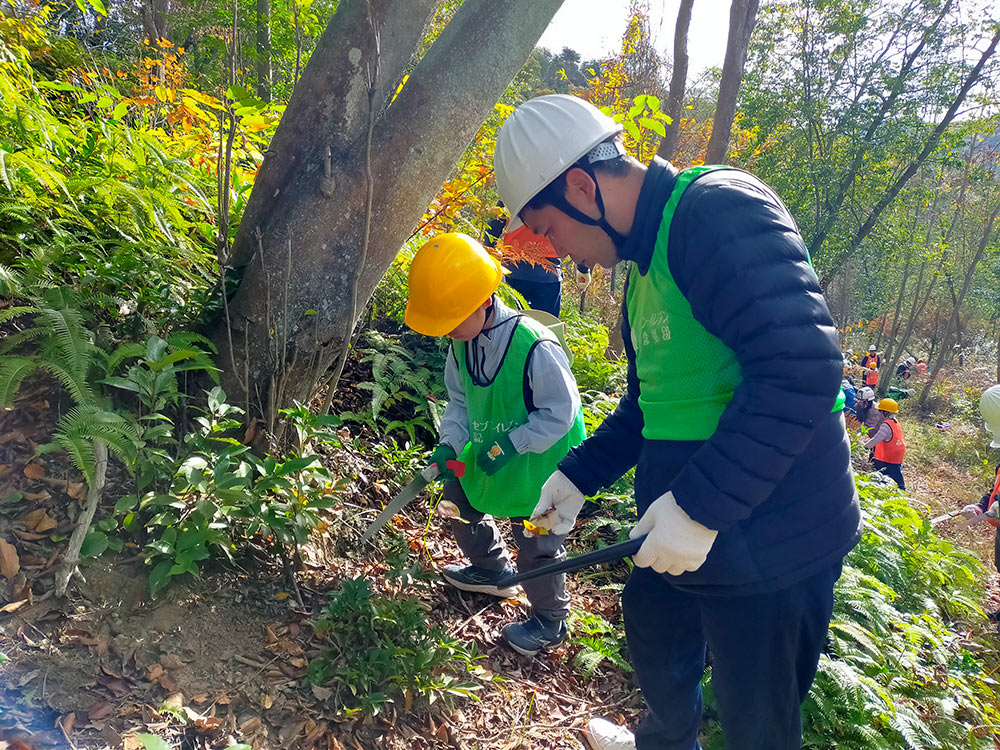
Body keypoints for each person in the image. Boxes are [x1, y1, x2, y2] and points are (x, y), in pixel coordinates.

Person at [493, 94, 860, 750]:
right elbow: (649, 404)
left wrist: (697, 507)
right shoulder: (640, 271)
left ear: (582, 185)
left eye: (549, 230)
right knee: (655, 626)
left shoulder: (715, 212)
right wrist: (578, 475)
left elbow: (801, 367)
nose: (562, 253)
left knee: (758, 714)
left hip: (776, 535)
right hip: (693, 527)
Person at [405, 232, 586, 656]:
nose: (448, 331)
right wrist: (451, 443)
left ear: (484, 302)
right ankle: (490, 570)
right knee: (456, 495)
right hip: (489, 448)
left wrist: (510, 444)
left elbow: (560, 413)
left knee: (537, 541)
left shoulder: (534, 344)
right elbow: (461, 400)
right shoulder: (462, 344)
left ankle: (550, 620)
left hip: (543, 460)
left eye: (453, 320)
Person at [485, 214, 591, 317]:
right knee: (547, 326)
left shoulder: (512, 196)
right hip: (547, 276)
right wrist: (583, 269)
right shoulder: (562, 197)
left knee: (510, 325)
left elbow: (492, 227)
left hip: (513, 271)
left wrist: (488, 260)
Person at [865, 398, 906, 490]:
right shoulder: (894, 423)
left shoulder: (886, 425)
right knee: (895, 472)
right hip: (896, 452)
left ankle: (901, 491)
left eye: (880, 411)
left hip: (889, 455)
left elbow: (876, 439)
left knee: (882, 472)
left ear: (885, 412)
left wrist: (865, 447)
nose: (878, 413)